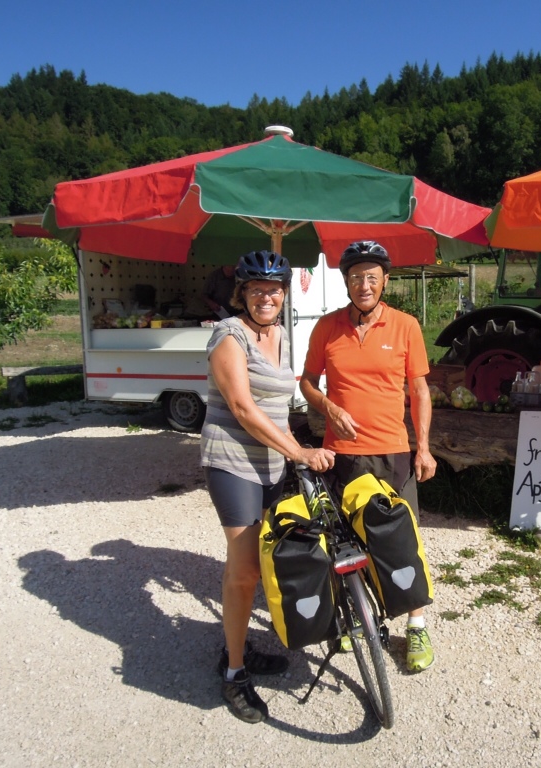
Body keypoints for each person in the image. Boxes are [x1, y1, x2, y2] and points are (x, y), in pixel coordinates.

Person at [200, 250, 336, 724]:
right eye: (256, 289)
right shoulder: (229, 334)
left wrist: (303, 440)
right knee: (243, 571)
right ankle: (234, 671)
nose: (266, 297)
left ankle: (238, 645)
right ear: (242, 293)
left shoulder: (281, 334)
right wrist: (299, 452)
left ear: (283, 295)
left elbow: (279, 405)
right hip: (233, 461)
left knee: (266, 561)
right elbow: (242, 407)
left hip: (272, 463)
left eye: (274, 290)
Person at [300, 240, 438, 673]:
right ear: (346, 282)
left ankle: (416, 624)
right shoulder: (327, 327)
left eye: (372, 277)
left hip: (393, 450)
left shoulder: (405, 326)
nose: (364, 285)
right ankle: (358, 615)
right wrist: (329, 408)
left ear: (385, 282)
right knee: (347, 539)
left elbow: (419, 391)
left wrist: (424, 447)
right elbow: (307, 382)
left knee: (404, 538)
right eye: (356, 277)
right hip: (342, 454)